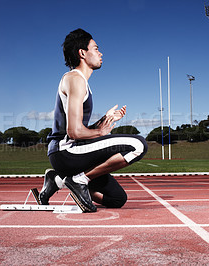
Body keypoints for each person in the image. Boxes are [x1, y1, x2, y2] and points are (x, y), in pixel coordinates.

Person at [40, 28, 148, 212]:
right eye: (96, 48)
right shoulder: (75, 79)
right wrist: (100, 132)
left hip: (71, 152)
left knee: (117, 199)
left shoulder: (81, 81)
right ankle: (79, 180)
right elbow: (73, 132)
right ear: (82, 53)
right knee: (138, 145)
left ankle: (57, 180)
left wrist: (104, 121)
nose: (100, 53)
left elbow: (79, 129)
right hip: (66, 152)